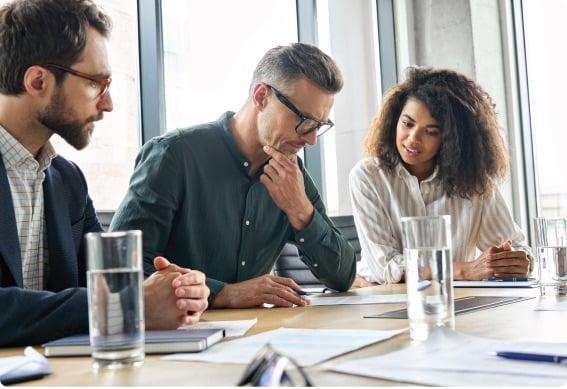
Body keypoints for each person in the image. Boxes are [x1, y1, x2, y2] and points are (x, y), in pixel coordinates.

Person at [0, 0, 208, 347]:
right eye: (97, 83)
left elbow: (104, 282)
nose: (108, 103)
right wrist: (131, 303)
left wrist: (177, 291)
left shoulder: (67, 181)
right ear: (38, 81)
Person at [111, 43, 356, 308]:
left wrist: (300, 210)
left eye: (318, 126)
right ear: (261, 97)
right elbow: (119, 266)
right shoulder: (173, 155)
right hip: (179, 338)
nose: (311, 140)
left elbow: (342, 277)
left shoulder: (291, 174)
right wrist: (224, 293)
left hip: (257, 339)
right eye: (304, 120)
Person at [349, 66, 531, 285]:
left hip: (454, 300)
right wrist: (464, 271)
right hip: (380, 296)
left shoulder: (474, 182)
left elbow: (515, 245)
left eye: (431, 131)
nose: (413, 139)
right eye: (407, 124)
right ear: (394, 121)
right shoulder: (368, 176)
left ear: (451, 140)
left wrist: (517, 261)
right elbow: (386, 268)